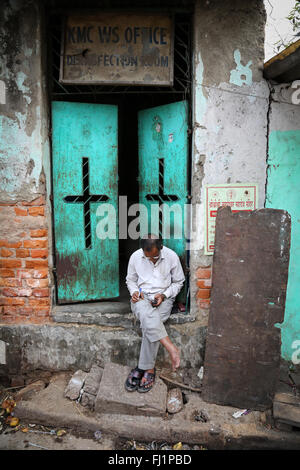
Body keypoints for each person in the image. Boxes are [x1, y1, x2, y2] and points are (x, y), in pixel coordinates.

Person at [125, 234, 185, 393]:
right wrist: (134, 292)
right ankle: (169, 349)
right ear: (142, 250)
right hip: (142, 297)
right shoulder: (135, 257)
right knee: (149, 316)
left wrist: (164, 295)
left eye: (155, 257)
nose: (151, 260)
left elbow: (179, 282)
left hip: (164, 298)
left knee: (150, 323)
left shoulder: (171, 257)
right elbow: (130, 280)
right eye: (147, 257)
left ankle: (143, 367)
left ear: (161, 247)